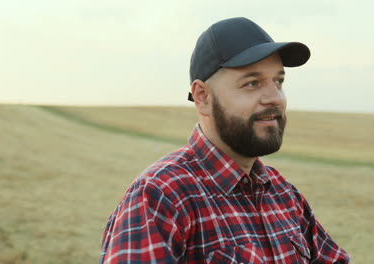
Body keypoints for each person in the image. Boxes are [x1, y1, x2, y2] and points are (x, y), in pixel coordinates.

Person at [100, 17, 350, 264]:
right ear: (203, 97)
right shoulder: (161, 196)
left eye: (279, 81)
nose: (275, 98)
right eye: (252, 83)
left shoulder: (284, 194)